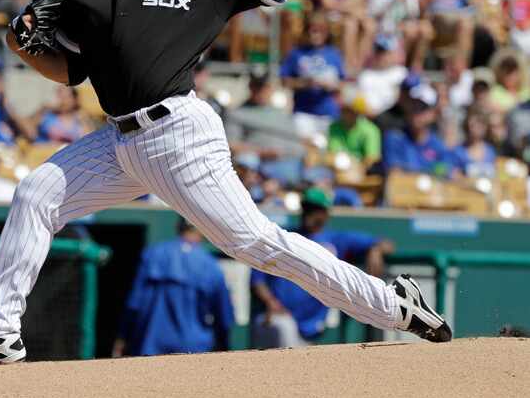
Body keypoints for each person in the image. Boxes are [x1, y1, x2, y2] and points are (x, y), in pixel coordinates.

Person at [0, 0, 451, 367]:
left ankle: (393, 305)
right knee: (36, 194)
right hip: (118, 142)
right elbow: (72, 72)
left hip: (178, 131)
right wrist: (22, 48)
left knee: (257, 245)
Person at [250, 188, 394, 349]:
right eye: (307, 208)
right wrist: (270, 302)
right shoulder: (286, 237)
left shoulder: (335, 239)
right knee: (280, 328)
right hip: (281, 316)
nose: (309, 214)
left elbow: (387, 244)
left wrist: (375, 248)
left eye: (315, 210)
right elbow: (258, 278)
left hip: (312, 324)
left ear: (325, 213)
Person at [112, 217, 234, 357]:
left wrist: (122, 337)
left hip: (151, 343)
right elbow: (223, 316)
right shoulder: (210, 264)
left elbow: (134, 304)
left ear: (178, 227)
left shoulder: (153, 254)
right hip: (194, 349)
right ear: (203, 229)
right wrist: (224, 345)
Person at [280, 13, 346, 140]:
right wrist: (305, 83)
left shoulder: (334, 54)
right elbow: (285, 81)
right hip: (303, 113)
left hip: (328, 114)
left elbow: (343, 83)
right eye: (312, 30)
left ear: (326, 32)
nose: (315, 34)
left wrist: (331, 85)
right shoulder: (296, 53)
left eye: (320, 30)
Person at [381, 82, 459, 179]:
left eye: (422, 108)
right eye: (412, 105)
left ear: (433, 114)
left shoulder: (438, 145)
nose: (416, 111)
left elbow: (447, 173)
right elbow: (395, 175)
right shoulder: (394, 138)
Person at [327, 90, 382, 167]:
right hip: (338, 169)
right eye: (344, 110)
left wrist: (359, 168)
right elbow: (333, 152)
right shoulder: (334, 127)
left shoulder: (370, 130)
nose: (346, 113)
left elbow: (372, 157)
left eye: (350, 110)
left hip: (362, 171)